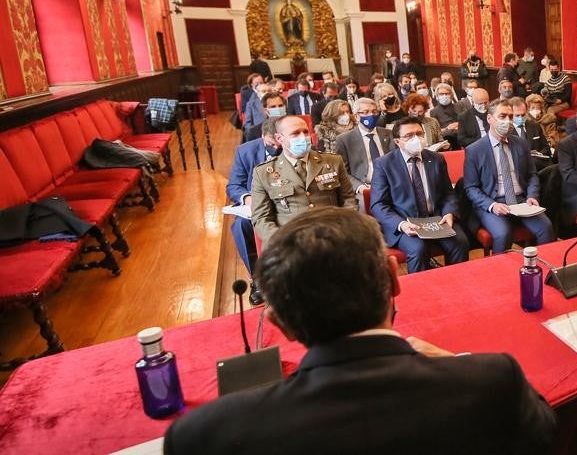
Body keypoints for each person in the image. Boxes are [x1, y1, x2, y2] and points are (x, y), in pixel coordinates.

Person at [163, 207, 557, 453]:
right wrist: (452, 362)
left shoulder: (204, 436)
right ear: (394, 277)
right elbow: (545, 434)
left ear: (280, 324)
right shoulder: (491, 379)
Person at [369, 117, 469, 273]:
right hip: (405, 221)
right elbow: (378, 205)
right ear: (397, 141)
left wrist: (450, 213)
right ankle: (421, 292)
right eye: (409, 135)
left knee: (460, 242)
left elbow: (448, 193)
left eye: (419, 133)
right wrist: (401, 224)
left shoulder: (436, 159)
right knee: (418, 249)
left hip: (436, 219)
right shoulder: (384, 164)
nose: (415, 138)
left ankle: (456, 285)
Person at [462, 99, 556, 254]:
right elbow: (471, 188)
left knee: (546, 227)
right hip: (493, 202)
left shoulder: (520, 143)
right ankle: (500, 274)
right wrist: (492, 205)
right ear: (490, 118)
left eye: (510, 117)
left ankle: (542, 270)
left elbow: (532, 175)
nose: (508, 121)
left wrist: (532, 195)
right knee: (503, 234)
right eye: (502, 116)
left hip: (522, 201)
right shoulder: (475, 150)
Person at [249, 116, 356, 245]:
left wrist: (345, 229)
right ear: (279, 138)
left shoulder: (333, 161)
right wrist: (281, 241)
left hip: (334, 237)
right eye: (295, 133)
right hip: (291, 243)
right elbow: (261, 218)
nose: (303, 137)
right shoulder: (263, 173)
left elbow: (348, 199)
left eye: (305, 132)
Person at [226, 116, 281, 305]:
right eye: (271, 143)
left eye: (278, 142)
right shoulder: (245, 151)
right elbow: (234, 185)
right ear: (263, 137)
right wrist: (247, 198)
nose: (275, 147)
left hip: (287, 202)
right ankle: (258, 280)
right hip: (256, 204)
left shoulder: (291, 146)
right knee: (241, 226)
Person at [334, 98, 394, 196]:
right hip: (365, 187)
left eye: (374, 112)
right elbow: (342, 171)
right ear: (356, 116)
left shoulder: (388, 134)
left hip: (391, 184)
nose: (371, 115)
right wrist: (359, 187)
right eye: (366, 112)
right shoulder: (344, 140)